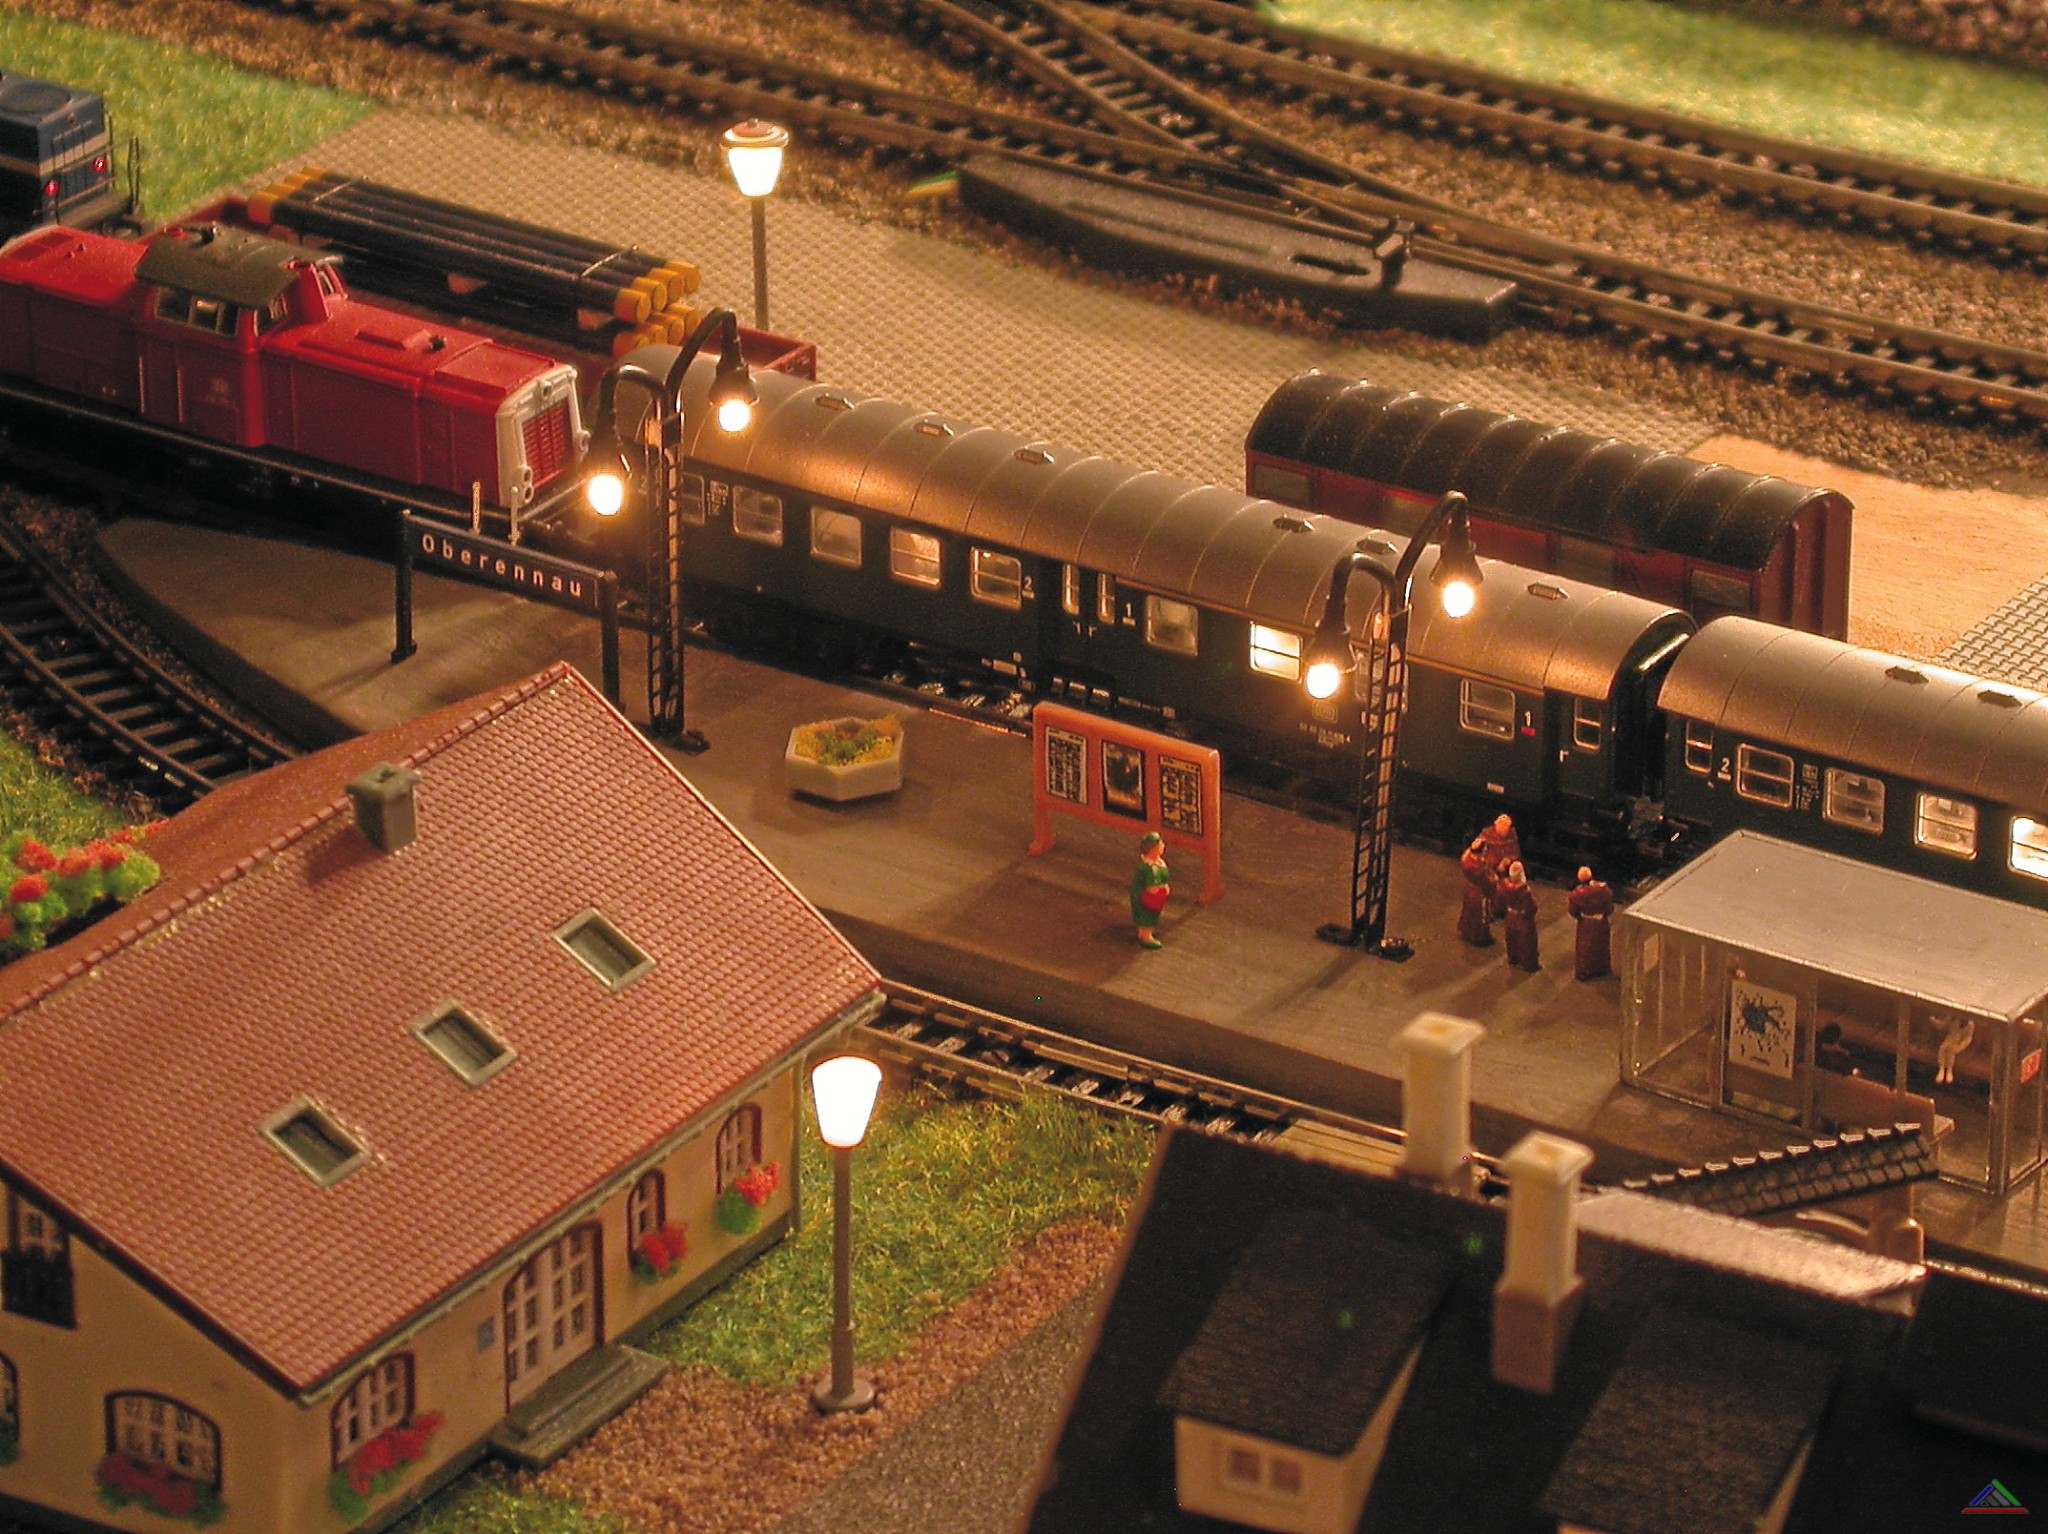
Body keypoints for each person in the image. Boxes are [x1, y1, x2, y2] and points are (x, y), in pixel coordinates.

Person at [1566, 866, 1613, 981]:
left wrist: (1581, 918)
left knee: (1585, 948)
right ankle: (1602, 969)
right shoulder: (1604, 890)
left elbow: (1573, 911)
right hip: (1601, 922)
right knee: (1601, 945)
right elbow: (1610, 908)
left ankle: (1585, 971)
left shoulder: (1576, 895)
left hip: (1586, 923)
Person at [1130, 831, 1171, 949]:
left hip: (1154, 897)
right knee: (1146, 915)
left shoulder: (1157, 863)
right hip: (1145, 897)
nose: (1163, 845)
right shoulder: (1150, 868)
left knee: (1151, 914)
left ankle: (1145, 932)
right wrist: (1161, 890)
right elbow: (1152, 888)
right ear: (1153, 849)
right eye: (1160, 844)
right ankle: (1145, 936)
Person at [1476, 814, 1521, 919]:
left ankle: (1497, 911)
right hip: (1487, 867)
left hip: (1502, 871)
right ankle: (1484, 911)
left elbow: (1514, 853)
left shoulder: (1511, 838)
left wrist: (1507, 861)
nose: (1503, 828)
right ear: (1495, 824)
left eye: (1506, 826)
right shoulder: (1487, 834)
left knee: (1503, 888)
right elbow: (1478, 848)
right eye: (1501, 825)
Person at [1500, 861, 1539, 972]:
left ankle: (1513, 958)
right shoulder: (1524, 891)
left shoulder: (1504, 886)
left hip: (1510, 915)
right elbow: (1530, 907)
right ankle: (1528, 964)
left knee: (1511, 938)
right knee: (1526, 941)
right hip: (1523, 918)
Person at [1457, 838, 1495, 947]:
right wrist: (1493, 880)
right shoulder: (1477, 865)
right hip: (1480, 892)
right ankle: (1478, 937)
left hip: (1470, 889)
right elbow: (1486, 880)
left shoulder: (1467, 857)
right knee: (1479, 915)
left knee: (1468, 911)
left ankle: (1466, 930)